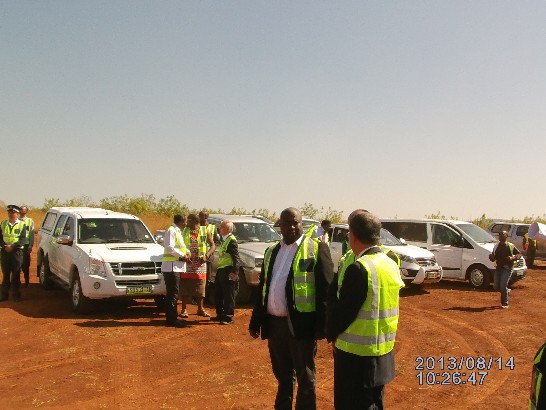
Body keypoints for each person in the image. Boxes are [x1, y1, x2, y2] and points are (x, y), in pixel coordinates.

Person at [248, 207, 334, 410]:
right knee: (283, 375)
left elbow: (326, 290)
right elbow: (264, 288)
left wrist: (323, 326)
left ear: (302, 223)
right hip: (275, 325)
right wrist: (256, 321)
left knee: (305, 376)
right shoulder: (272, 252)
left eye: (296, 222)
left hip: (301, 326)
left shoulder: (315, 248)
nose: (293, 226)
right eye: (288, 223)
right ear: (280, 226)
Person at [326, 211, 404, 410]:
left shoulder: (359, 268)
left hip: (355, 356)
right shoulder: (390, 263)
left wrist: (331, 334)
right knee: (375, 402)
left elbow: (345, 312)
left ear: (352, 236)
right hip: (383, 351)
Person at [180, 213, 216, 318]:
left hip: (200, 263)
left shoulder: (205, 230)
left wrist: (207, 255)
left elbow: (213, 245)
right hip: (188, 263)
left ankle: (200, 309)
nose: (186, 222)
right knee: (185, 285)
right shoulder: (184, 231)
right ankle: (184, 309)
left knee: (201, 286)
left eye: (189, 220)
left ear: (194, 221)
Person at [161, 214, 191, 328]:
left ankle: (172, 318)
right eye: (185, 221)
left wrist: (187, 252)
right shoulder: (171, 230)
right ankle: (171, 320)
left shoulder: (177, 231)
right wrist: (183, 255)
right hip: (171, 267)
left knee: (174, 293)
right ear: (181, 221)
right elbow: (170, 248)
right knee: (173, 294)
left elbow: (181, 246)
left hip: (175, 266)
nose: (186, 224)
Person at [212, 219, 240, 325]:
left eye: (222, 226)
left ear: (227, 229)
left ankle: (228, 317)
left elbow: (236, 258)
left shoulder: (231, 240)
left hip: (228, 270)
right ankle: (220, 314)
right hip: (221, 269)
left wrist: (234, 272)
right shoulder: (224, 239)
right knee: (218, 293)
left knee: (229, 295)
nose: (220, 228)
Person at [1, 205, 28, 302]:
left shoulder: (22, 225)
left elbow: (23, 240)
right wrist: (5, 246)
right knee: (6, 274)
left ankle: (16, 295)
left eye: (13, 213)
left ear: (17, 214)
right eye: (9, 212)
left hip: (16, 252)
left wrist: (12, 246)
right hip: (5, 252)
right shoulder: (3, 224)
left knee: (16, 274)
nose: (11, 214)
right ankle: (4, 294)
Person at [489, 230, 522, 309]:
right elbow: (493, 257)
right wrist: (491, 257)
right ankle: (507, 291)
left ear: (506, 236)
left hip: (507, 268)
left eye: (502, 235)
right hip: (498, 268)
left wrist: (513, 258)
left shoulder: (511, 246)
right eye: (499, 234)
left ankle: (505, 303)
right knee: (496, 287)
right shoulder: (496, 246)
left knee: (503, 286)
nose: (500, 236)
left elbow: (519, 254)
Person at [19, 205, 34, 287]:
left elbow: (31, 234)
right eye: (21, 209)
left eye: (24, 209)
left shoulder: (30, 221)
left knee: (25, 264)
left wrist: (30, 246)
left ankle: (26, 281)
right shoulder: (16, 220)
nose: (22, 211)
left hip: (26, 245)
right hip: (17, 245)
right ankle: (16, 281)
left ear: (26, 211)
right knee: (16, 264)